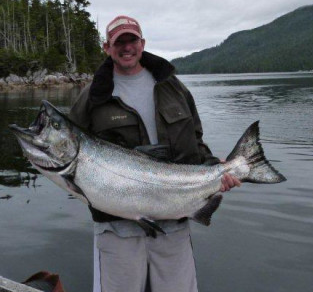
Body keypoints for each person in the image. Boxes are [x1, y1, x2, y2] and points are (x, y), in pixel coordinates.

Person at [69, 15, 241, 292]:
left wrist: (214, 168)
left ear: (142, 43)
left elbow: (194, 139)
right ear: (107, 48)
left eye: (132, 40)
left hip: (174, 218)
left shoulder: (173, 87)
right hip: (116, 227)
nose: (127, 47)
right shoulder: (92, 97)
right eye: (119, 42)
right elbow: (73, 148)